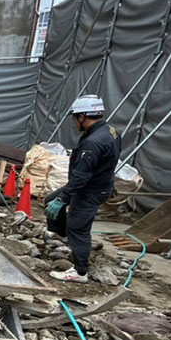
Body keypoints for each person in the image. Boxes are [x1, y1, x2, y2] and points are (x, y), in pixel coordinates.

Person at [44, 95, 121, 283]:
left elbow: (82, 176)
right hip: (94, 183)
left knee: (78, 228)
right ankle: (63, 235)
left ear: (82, 116)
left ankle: (79, 272)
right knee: (50, 200)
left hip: (89, 189)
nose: (73, 122)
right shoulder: (109, 131)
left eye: (74, 117)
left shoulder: (93, 142)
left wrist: (63, 198)